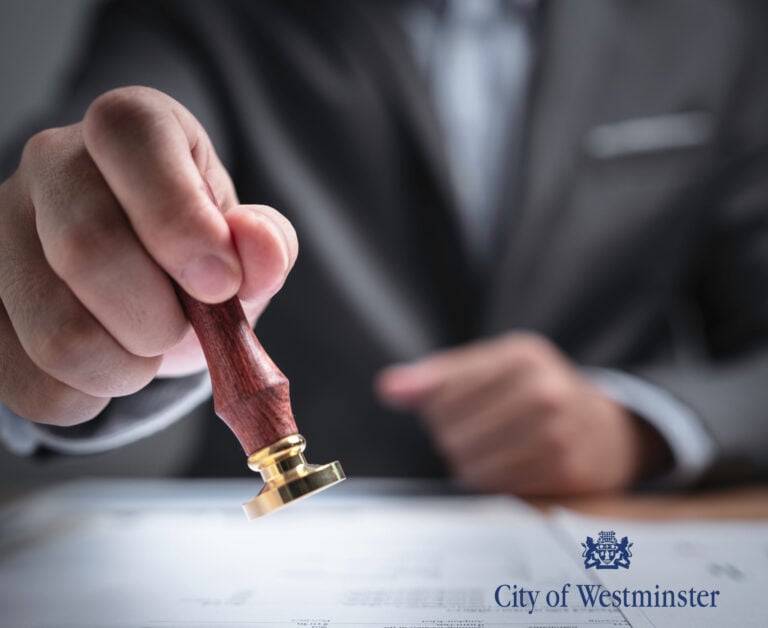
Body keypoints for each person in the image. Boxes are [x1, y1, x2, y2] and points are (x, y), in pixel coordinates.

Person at [1, 0, 767, 494]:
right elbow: (94, 161)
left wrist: (642, 423)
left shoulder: (719, 23)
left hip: (621, 536)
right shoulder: (200, 17)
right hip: (274, 563)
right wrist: (58, 280)